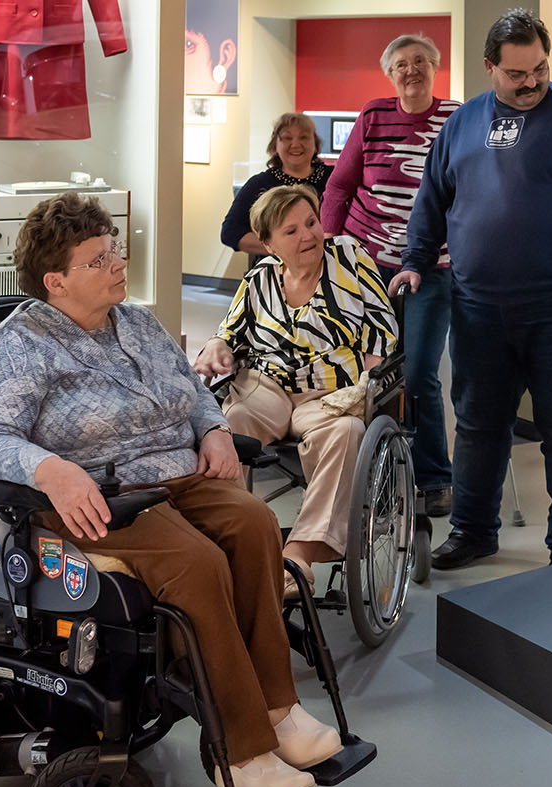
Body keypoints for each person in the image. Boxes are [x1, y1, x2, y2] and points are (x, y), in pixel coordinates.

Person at [0, 192, 340, 787]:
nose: (117, 263)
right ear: (55, 281)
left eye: (113, 250)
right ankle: (241, 752)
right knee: (197, 564)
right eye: (98, 259)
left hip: (177, 475)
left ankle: (279, 710)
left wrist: (214, 428)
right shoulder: (24, 342)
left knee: (254, 523)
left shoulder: (136, 319)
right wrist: (51, 469)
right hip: (101, 494)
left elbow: (191, 389)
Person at [393, 8, 552, 569]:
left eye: (540, 70)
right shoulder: (463, 124)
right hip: (479, 307)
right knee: (479, 424)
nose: (531, 83)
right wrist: (415, 259)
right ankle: (474, 531)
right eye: (517, 74)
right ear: (489, 68)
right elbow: (432, 198)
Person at [195, 185, 398, 573]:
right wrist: (216, 346)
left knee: (348, 432)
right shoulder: (261, 278)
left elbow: (381, 328)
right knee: (229, 424)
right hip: (266, 386)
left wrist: (367, 385)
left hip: (330, 392)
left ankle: (301, 552)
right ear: (269, 244)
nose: (308, 235)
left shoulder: (349, 258)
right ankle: (236, 536)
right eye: (291, 231)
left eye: (311, 222)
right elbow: (228, 332)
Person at [320, 33, 461, 519]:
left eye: (420, 61)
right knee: (370, 371)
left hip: (431, 267)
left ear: (435, 67)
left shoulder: (456, 118)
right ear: (390, 73)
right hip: (366, 263)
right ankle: (376, 473)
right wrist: (330, 251)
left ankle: (433, 477)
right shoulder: (374, 115)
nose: (411, 70)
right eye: (401, 64)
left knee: (420, 373)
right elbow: (339, 186)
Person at [221, 113, 331, 256]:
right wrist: (282, 248)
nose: (296, 144)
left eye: (304, 137)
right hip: (276, 273)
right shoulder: (259, 184)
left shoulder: (335, 179)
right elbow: (230, 232)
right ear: (275, 145)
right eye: (287, 138)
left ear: (315, 144)